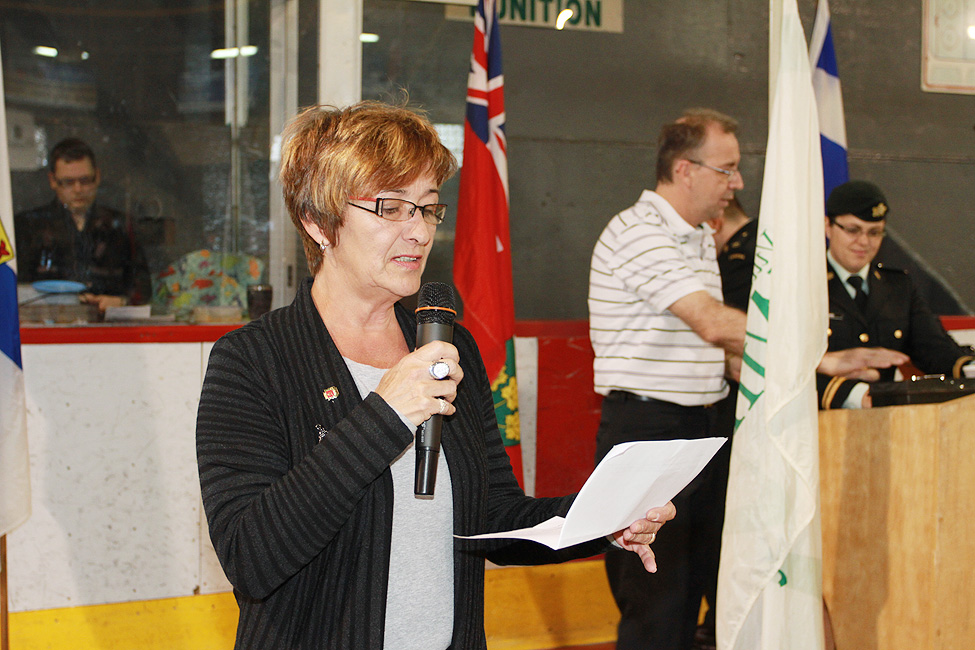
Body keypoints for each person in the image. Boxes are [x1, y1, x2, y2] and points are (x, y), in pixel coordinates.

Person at [196, 101, 675, 650]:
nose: (419, 232)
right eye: (392, 208)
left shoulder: (448, 343)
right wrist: (384, 414)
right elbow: (252, 558)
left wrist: (603, 518)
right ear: (318, 222)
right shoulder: (253, 361)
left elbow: (494, 514)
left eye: (426, 209)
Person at [588, 110, 906, 650]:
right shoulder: (639, 231)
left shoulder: (695, 238)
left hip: (702, 427)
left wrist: (800, 372)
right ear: (685, 169)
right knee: (656, 606)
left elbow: (718, 350)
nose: (736, 184)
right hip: (650, 431)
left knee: (713, 592)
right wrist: (818, 357)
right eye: (727, 170)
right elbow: (712, 321)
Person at [818, 180, 975, 409]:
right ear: (827, 226)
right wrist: (853, 394)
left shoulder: (897, 287)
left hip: (887, 425)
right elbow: (786, 366)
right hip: (818, 422)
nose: (864, 242)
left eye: (875, 232)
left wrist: (967, 368)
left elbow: (933, 347)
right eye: (853, 230)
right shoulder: (806, 286)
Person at [14, 138, 151, 311]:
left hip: (109, 327)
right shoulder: (29, 226)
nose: (78, 189)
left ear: (98, 177)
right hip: (47, 327)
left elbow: (143, 289)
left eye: (85, 180)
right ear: (52, 181)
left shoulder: (120, 225)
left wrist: (122, 302)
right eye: (68, 182)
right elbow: (14, 289)